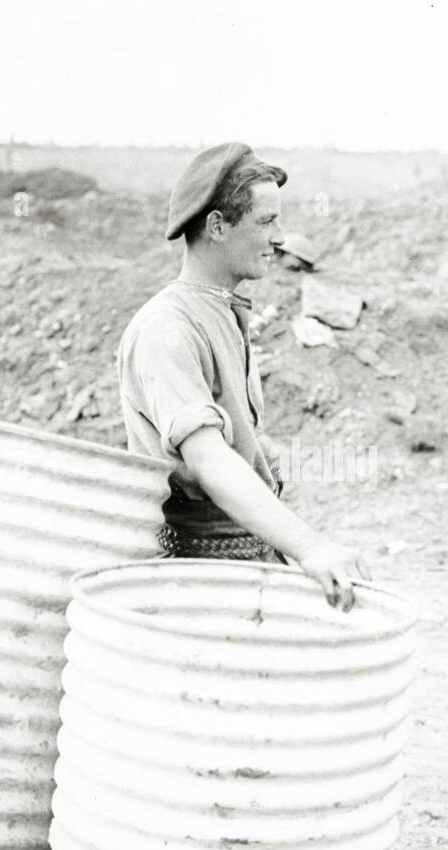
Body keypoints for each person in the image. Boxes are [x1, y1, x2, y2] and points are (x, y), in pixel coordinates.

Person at [118, 142, 368, 610]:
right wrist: (310, 547)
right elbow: (209, 461)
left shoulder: (221, 313)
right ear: (217, 226)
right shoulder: (167, 328)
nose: (281, 238)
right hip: (197, 575)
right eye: (267, 222)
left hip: (242, 556)